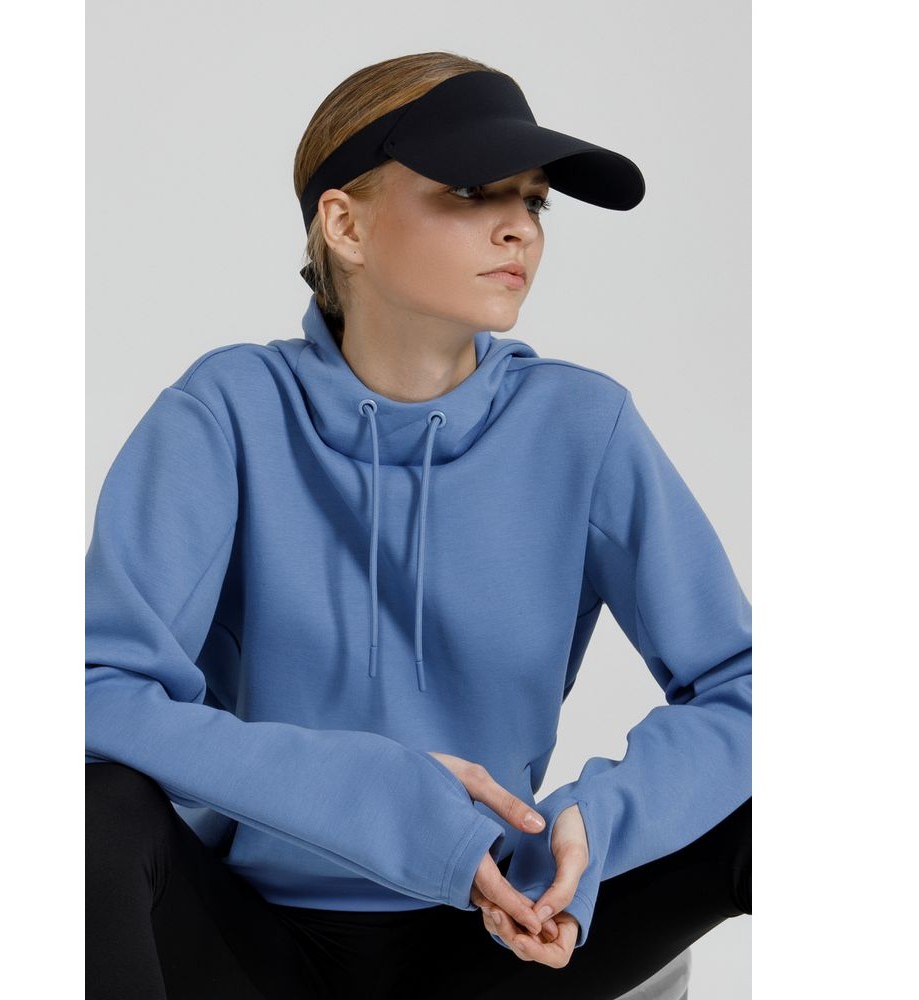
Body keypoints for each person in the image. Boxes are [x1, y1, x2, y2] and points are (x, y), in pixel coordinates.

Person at [85, 51, 752, 999]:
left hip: (496, 932)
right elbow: (96, 692)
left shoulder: (581, 425)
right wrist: (379, 794)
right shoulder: (225, 413)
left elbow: (745, 687)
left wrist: (598, 822)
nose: (520, 227)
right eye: (473, 191)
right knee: (91, 810)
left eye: (534, 200)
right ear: (345, 225)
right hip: (252, 942)